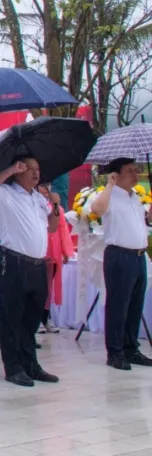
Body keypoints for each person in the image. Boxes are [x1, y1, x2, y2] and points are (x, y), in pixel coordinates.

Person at [0, 158, 60, 387]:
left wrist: (56, 206)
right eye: (29, 169)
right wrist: (10, 169)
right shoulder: (7, 193)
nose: (35, 173)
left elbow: (51, 227)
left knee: (31, 317)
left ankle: (31, 363)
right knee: (12, 317)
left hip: (37, 263)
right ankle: (13, 367)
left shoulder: (39, 198)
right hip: (13, 261)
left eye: (38, 169)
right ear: (19, 171)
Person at [89, 158, 152, 370]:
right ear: (117, 174)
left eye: (136, 170)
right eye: (130, 171)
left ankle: (130, 348)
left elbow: (141, 223)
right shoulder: (109, 195)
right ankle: (115, 352)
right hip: (120, 256)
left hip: (138, 255)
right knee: (118, 305)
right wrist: (110, 184)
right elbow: (96, 210)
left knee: (135, 305)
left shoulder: (134, 197)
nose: (135, 174)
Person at [39, 183, 72, 335]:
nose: (45, 191)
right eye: (42, 187)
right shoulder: (35, 205)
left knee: (48, 287)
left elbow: (63, 230)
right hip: (39, 250)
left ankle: (45, 318)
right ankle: (37, 319)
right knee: (37, 286)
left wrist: (66, 252)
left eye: (47, 187)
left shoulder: (57, 208)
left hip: (53, 251)